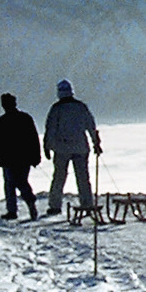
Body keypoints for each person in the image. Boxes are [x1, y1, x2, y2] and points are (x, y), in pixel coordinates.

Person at [43, 79, 101, 217]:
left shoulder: (56, 109)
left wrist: (47, 146)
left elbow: (50, 129)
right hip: (81, 147)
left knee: (59, 177)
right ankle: (87, 203)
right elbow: (91, 126)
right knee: (83, 177)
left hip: (61, 148)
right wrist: (96, 143)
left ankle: (55, 206)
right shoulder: (81, 107)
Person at [0, 92, 42, 221]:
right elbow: (34, 139)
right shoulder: (25, 118)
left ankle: (15, 209)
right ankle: (27, 204)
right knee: (20, 181)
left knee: (11, 184)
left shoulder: (1, 121)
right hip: (23, 158)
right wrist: (36, 156)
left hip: (9, 159)